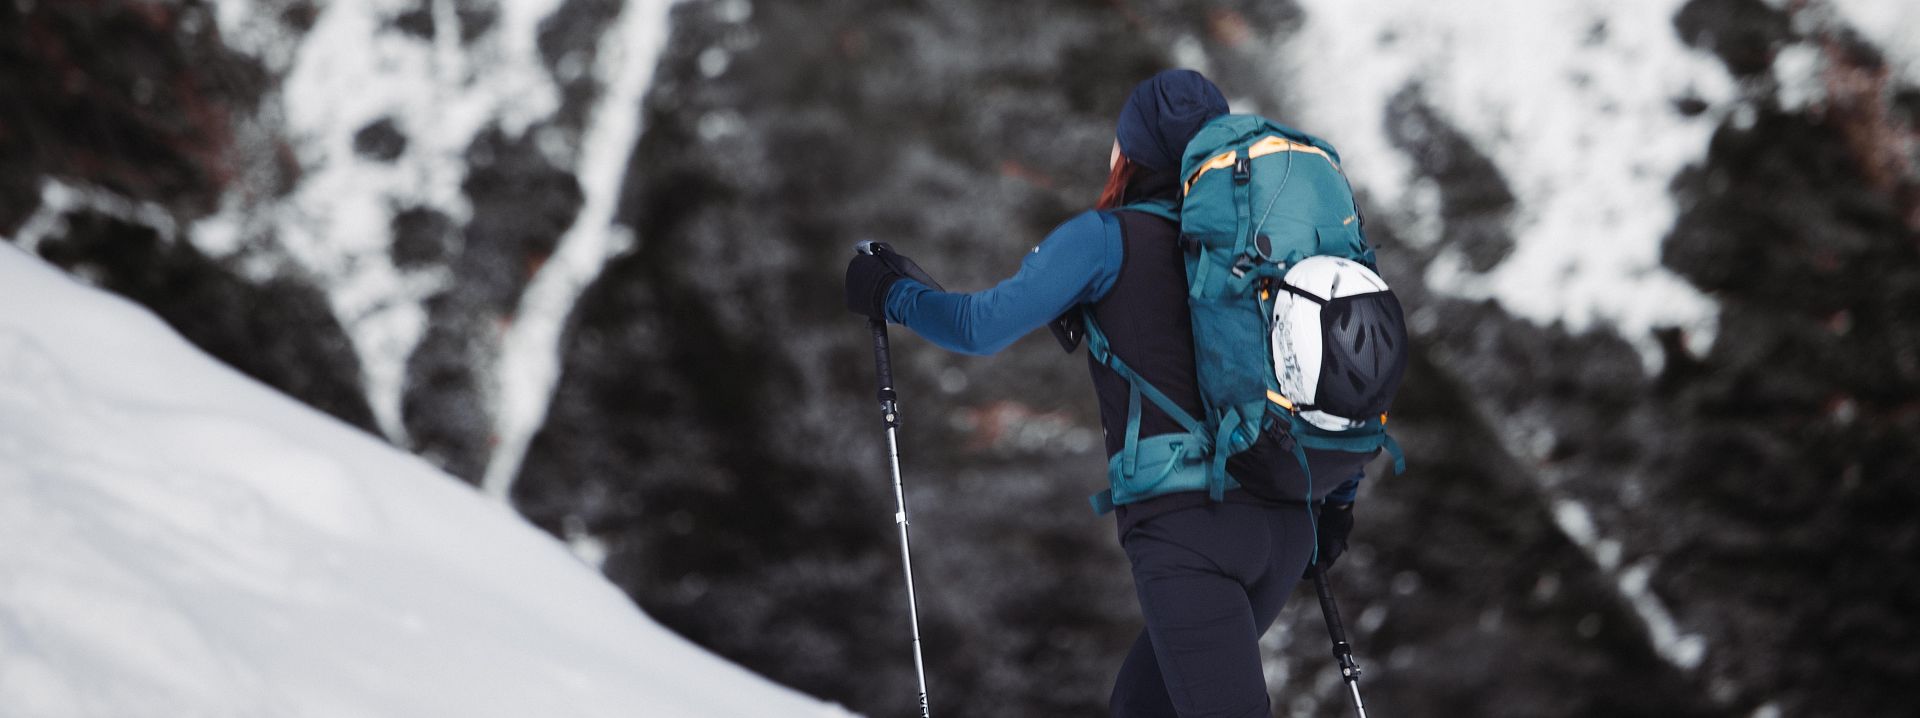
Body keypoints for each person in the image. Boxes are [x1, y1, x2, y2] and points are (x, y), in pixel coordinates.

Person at [844, 69, 1371, 718]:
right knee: (1140, 705)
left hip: (1189, 539)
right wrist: (1336, 510)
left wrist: (888, 292)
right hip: (1286, 529)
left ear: (1128, 153)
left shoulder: (1106, 239)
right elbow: (1339, 370)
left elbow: (977, 328)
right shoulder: (1262, 253)